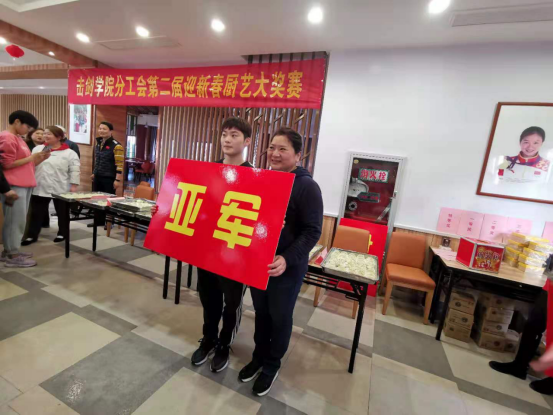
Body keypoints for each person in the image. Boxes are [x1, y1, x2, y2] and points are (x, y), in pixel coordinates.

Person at [151, 117, 254, 373]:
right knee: (209, 298)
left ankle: (224, 344)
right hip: (207, 250)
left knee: (232, 303)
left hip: (235, 253)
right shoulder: (208, 171)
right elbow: (191, 202)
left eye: (234, 135)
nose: (227, 139)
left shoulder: (255, 177)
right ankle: (208, 338)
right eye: (224, 134)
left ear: (247, 141)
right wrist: (164, 209)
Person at [239, 127, 323, 396]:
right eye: (272, 147)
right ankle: (258, 357)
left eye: (282, 149)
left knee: (280, 316)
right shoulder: (265, 179)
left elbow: (312, 231)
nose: (274, 153)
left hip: (287, 267)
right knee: (261, 313)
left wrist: (287, 258)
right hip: (260, 261)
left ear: (298, 155)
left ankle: (271, 365)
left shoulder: (307, 187)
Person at [0, 110, 50, 267]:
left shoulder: (17, 138)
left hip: (24, 183)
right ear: (17, 122)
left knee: (16, 220)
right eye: (27, 127)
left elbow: (26, 164)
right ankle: (13, 255)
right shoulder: (7, 137)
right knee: (15, 221)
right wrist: (31, 158)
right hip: (14, 185)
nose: (28, 131)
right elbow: (6, 164)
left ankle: (10, 250)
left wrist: (39, 159)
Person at [22, 126, 80, 246]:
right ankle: (32, 235)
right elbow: (30, 165)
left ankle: (62, 233)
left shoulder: (70, 153)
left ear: (59, 137)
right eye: (45, 134)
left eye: (49, 134)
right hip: (40, 185)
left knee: (62, 212)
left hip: (60, 187)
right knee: (36, 213)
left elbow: (75, 170)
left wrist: (74, 186)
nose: (45, 136)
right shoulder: (38, 149)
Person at [91, 122, 123, 226]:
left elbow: (119, 165)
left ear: (110, 131)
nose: (101, 131)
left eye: (104, 129)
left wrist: (117, 180)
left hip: (109, 178)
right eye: (100, 128)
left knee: (108, 200)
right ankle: (98, 221)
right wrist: (94, 172)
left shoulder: (116, 145)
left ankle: (109, 223)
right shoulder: (99, 143)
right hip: (98, 176)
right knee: (97, 199)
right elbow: (98, 160)